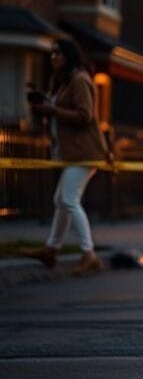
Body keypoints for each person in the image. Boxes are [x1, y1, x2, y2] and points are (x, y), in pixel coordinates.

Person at [21, 38, 114, 276]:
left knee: (69, 199)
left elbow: (85, 115)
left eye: (57, 53)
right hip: (73, 151)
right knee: (60, 200)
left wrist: (52, 110)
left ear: (69, 56)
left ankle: (89, 254)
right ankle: (51, 250)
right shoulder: (63, 82)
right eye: (51, 53)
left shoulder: (80, 80)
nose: (53, 57)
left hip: (85, 151)